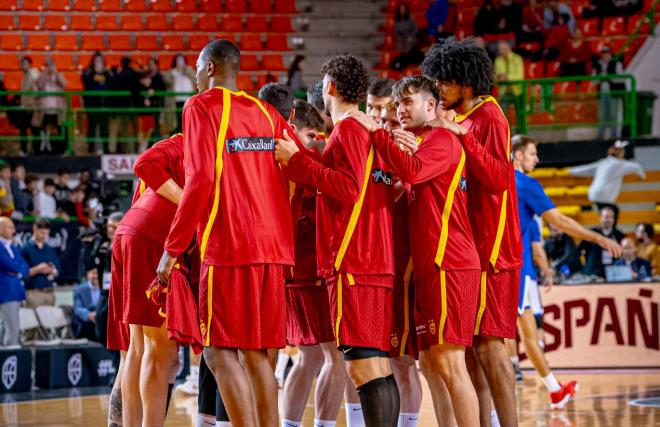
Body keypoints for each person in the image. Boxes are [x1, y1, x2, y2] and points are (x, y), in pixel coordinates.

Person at [157, 39, 298, 427]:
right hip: (274, 249)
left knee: (218, 353)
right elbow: (299, 164)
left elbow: (199, 178)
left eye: (199, 71)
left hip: (230, 244)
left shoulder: (199, 106)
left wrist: (172, 247)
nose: (197, 79)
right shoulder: (267, 113)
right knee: (257, 354)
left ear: (211, 69)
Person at [275, 53, 400, 427]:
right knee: (377, 366)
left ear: (329, 86)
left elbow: (348, 189)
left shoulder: (347, 130)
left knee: (363, 368)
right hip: (375, 256)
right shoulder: (365, 130)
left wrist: (299, 161)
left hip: (353, 259)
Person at [350, 75, 482, 425]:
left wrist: (378, 133)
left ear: (430, 104)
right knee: (434, 366)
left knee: (452, 365)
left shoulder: (441, 140)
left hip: (449, 262)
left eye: (408, 102)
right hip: (431, 265)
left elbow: (411, 169)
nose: (401, 109)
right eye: (398, 103)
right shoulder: (425, 142)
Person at [420, 38, 522, 426]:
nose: (438, 91)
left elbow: (498, 179)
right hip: (470, 249)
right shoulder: (461, 118)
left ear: (464, 81)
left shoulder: (489, 117)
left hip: (495, 249)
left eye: (443, 83)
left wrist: (465, 137)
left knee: (493, 350)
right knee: (472, 353)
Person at [509, 135, 621, 408]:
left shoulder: (491, 179)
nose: (537, 159)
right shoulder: (526, 185)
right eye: (533, 154)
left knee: (516, 334)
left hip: (492, 268)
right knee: (517, 336)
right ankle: (505, 404)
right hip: (517, 269)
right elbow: (558, 220)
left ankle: (554, 388)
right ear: (519, 156)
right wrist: (598, 238)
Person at [280, 100, 349, 427]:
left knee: (307, 357)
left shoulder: (277, 159)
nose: (316, 140)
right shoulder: (306, 158)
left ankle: (289, 423)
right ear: (293, 130)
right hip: (311, 268)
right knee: (335, 355)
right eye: (311, 134)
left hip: (288, 269)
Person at [110, 134, 185, 426]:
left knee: (137, 348)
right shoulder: (209, 146)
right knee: (160, 352)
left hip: (129, 230)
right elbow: (143, 164)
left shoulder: (175, 142)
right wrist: (187, 200)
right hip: (155, 236)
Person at [569, 140, 645, 223]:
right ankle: (608, 231)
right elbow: (637, 167)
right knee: (612, 212)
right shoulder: (620, 163)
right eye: (623, 153)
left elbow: (587, 169)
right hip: (603, 195)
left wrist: (571, 171)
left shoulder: (604, 162)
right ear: (620, 153)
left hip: (594, 193)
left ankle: (607, 229)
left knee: (608, 212)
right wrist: (641, 177)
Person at [0, 217, 29, 347]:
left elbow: (25, 267)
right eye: (10, 227)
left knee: (6, 327)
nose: (14, 230)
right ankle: (10, 358)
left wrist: (17, 270)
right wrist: (17, 269)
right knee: (13, 329)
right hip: (5, 292)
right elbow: (8, 265)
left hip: (16, 291)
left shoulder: (13, 247)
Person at [21, 218, 60, 308]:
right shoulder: (25, 249)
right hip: (33, 292)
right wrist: (38, 269)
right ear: (35, 229)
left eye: (47, 234)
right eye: (42, 233)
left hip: (49, 291)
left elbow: (58, 269)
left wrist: (52, 270)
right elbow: (22, 272)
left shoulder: (50, 249)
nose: (44, 236)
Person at [34, 58, 67, 154]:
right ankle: (41, 149)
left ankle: (62, 149)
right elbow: (38, 85)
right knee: (41, 128)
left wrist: (56, 75)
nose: (50, 68)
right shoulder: (42, 76)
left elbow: (65, 84)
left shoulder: (59, 75)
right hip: (45, 109)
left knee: (60, 129)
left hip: (57, 109)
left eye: (52, 65)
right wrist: (45, 74)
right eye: (48, 65)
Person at [592, 47, 626, 139]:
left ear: (610, 54)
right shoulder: (598, 65)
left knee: (613, 115)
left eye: (607, 53)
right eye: (603, 53)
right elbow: (594, 81)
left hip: (613, 93)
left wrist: (609, 77)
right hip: (602, 93)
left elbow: (621, 79)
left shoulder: (617, 64)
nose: (605, 55)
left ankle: (613, 136)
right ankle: (600, 136)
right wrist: (601, 78)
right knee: (601, 115)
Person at [82, 52, 112, 154]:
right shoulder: (88, 72)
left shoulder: (107, 73)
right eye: (96, 61)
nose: (99, 63)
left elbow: (113, 82)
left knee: (105, 128)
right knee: (92, 127)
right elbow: (85, 82)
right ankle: (90, 149)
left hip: (104, 105)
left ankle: (106, 149)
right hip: (92, 105)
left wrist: (106, 73)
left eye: (100, 61)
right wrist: (93, 73)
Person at [108, 56, 140, 154]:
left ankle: (112, 150)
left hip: (116, 107)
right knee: (125, 130)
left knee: (114, 129)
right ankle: (124, 150)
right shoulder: (132, 74)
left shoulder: (117, 75)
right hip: (127, 106)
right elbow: (136, 91)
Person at [164, 54, 195, 134]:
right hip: (175, 101)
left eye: (182, 60)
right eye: (178, 60)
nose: (180, 62)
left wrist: (187, 71)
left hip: (188, 100)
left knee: (187, 122)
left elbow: (195, 78)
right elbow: (166, 80)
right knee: (176, 122)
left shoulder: (189, 70)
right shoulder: (171, 72)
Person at [494, 40, 524, 121]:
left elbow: (520, 76)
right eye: (500, 49)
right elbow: (496, 75)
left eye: (503, 48)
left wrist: (507, 77)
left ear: (509, 48)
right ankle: (506, 131)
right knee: (502, 114)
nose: (501, 50)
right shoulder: (498, 60)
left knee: (520, 112)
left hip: (517, 91)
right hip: (504, 91)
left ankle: (521, 130)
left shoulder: (517, 58)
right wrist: (499, 77)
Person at [17, 56, 40, 155]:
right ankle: (26, 150)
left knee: (33, 129)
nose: (23, 65)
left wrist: (30, 103)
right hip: (25, 107)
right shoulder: (24, 76)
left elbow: (36, 91)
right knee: (25, 129)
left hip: (31, 107)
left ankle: (32, 150)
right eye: (22, 63)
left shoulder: (33, 75)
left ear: (29, 64)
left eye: (25, 63)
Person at [72, 265, 101, 341]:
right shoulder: (79, 289)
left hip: (102, 322)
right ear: (88, 274)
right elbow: (78, 309)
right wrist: (89, 315)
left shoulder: (105, 289)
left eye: (98, 273)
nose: (96, 276)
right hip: (87, 323)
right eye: (93, 273)